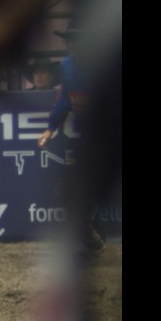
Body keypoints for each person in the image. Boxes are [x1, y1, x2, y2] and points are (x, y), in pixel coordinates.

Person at [36, 26, 106, 255]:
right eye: (69, 42)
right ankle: (86, 230)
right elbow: (64, 99)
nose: (72, 46)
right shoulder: (66, 67)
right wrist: (50, 129)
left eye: (77, 41)